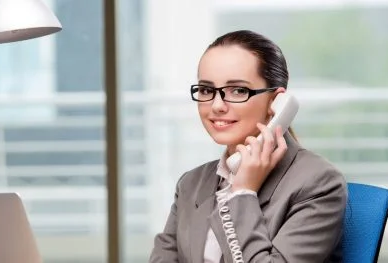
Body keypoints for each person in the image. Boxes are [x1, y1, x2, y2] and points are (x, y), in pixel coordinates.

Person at [149, 30, 347, 263]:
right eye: (206, 90)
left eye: (238, 90)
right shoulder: (191, 184)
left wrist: (242, 192)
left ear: (276, 103)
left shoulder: (318, 183)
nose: (217, 105)